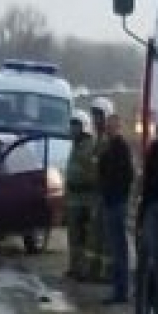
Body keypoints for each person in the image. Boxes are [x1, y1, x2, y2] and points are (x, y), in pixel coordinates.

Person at [97, 113, 135, 304]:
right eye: (108, 126)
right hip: (111, 201)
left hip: (116, 203)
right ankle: (118, 289)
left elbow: (127, 176)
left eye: (112, 126)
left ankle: (122, 291)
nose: (108, 129)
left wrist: (118, 195)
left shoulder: (121, 148)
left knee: (119, 248)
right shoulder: (110, 148)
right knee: (115, 248)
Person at [64, 109, 97, 281]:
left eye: (75, 125)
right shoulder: (75, 146)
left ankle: (84, 270)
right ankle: (74, 267)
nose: (72, 129)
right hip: (74, 198)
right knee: (74, 237)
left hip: (86, 198)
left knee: (85, 237)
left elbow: (92, 171)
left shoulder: (89, 145)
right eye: (71, 125)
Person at [88, 96, 115, 283]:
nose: (96, 120)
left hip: (108, 194)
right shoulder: (96, 140)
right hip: (98, 193)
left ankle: (108, 273)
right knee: (96, 234)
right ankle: (95, 271)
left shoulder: (108, 141)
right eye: (94, 116)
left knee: (107, 237)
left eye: (100, 116)